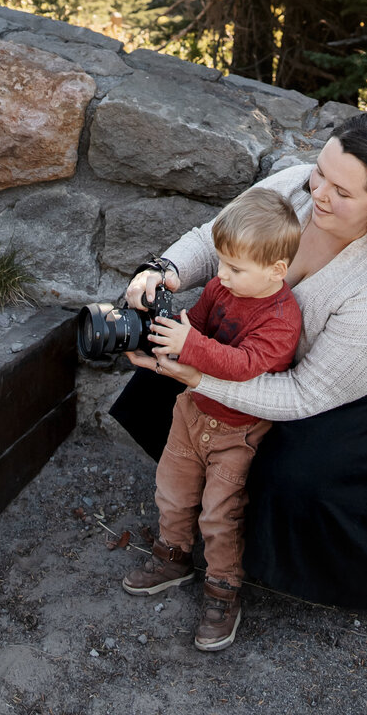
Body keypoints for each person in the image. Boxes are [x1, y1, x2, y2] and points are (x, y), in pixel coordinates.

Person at [114, 111, 367, 612]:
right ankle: (201, 496)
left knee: (296, 472)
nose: (319, 191)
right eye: (321, 170)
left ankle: (285, 559)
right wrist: (163, 271)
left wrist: (201, 376)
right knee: (165, 362)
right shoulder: (296, 188)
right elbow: (215, 242)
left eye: (342, 192)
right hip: (279, 349)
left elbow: (303, 394)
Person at [121, 188, 302, 652]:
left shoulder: (282, 318)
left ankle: (223, 591)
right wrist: (161, 335)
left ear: (276, 270)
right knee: (173, 489)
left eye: (234, 268)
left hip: (238, 432)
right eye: (220, 262)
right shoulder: (225, 286)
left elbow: (243, 365)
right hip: (192, 412)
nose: (220, 276)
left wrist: (190, 345)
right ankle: (173, 556)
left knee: (221, 514)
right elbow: (198, 325)